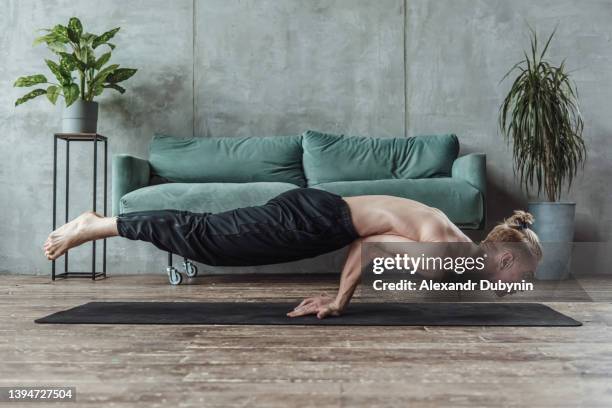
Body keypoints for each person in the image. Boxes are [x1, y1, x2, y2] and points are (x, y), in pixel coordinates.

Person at [43, 188, 542, 319]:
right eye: (525, 273)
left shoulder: (457, 244)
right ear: (504, 259)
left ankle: (106, 223)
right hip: (315, 220)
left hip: (319, 215)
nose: (523, 281)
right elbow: (368, 252)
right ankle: (100, 224)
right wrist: (339, 302)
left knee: (215, 241)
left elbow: (372, 246)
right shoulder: (455, 252)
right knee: (210, 239)